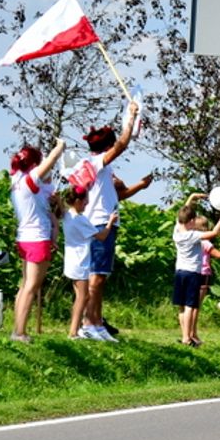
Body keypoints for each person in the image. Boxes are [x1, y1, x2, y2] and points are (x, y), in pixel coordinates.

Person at [82, 101, 141, 336]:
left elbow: (118, 193)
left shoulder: (102, 168)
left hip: (105, 222)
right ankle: (89, 323)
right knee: (95, 277)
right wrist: (130, 118)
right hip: (98, 223)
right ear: (106, 147)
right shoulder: (96, 163)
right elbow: (122, 145)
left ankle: (96, 322)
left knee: (100, 277)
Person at [8, 139, 65, 342]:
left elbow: (45, 193)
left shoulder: (17, 180)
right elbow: (49, 163)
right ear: (34, 164)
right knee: (32, 286)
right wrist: (59, 148)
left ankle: (17, 328)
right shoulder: (30, 179)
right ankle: (19, 332)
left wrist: (54, 200)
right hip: (37, 238)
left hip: (24, 237)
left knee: (25, 286)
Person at [61, 185, 117, 340]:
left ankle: (76, 328)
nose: (86, 204)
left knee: (81, 296)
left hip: (71, 260)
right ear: (78, 201)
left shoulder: (67, 215)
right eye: (85, 201)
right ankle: (73, 331)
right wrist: (110, 222)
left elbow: (59, 206)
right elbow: (102, 236)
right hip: (80, 262)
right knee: (83, 297)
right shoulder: (80, 220)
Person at [173, 194, 220, 346]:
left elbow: (183, 213)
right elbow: (214, 233)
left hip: (179, 272)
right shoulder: (194, 235)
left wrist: (192, 198)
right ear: (191, 221)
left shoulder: (177, 231)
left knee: (181, 306)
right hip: (192, 273)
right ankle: (186, 338)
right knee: (191, 306)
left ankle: (185, 335)